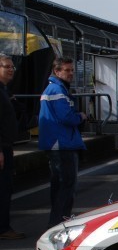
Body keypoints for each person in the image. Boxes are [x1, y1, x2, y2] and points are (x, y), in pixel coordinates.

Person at [39, 57, 87, 228]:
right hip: (62, 143)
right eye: (67, 70)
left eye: (72, 70)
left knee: (59, 186)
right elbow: (66, 116)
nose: (71, 73)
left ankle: (57, 221)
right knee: (66, 186)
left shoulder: (54, 88)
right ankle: (59, 223)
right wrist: (80, 116)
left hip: (59, 143)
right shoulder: (57, 90)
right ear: (57, 71)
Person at [0, 54, 24, 239]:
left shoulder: (4, 90)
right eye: (6, 66)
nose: (11, 69)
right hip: (2, 147)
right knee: (3, 188)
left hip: (6, 146)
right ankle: (3, 228)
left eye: (12, 67)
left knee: (6, 187)